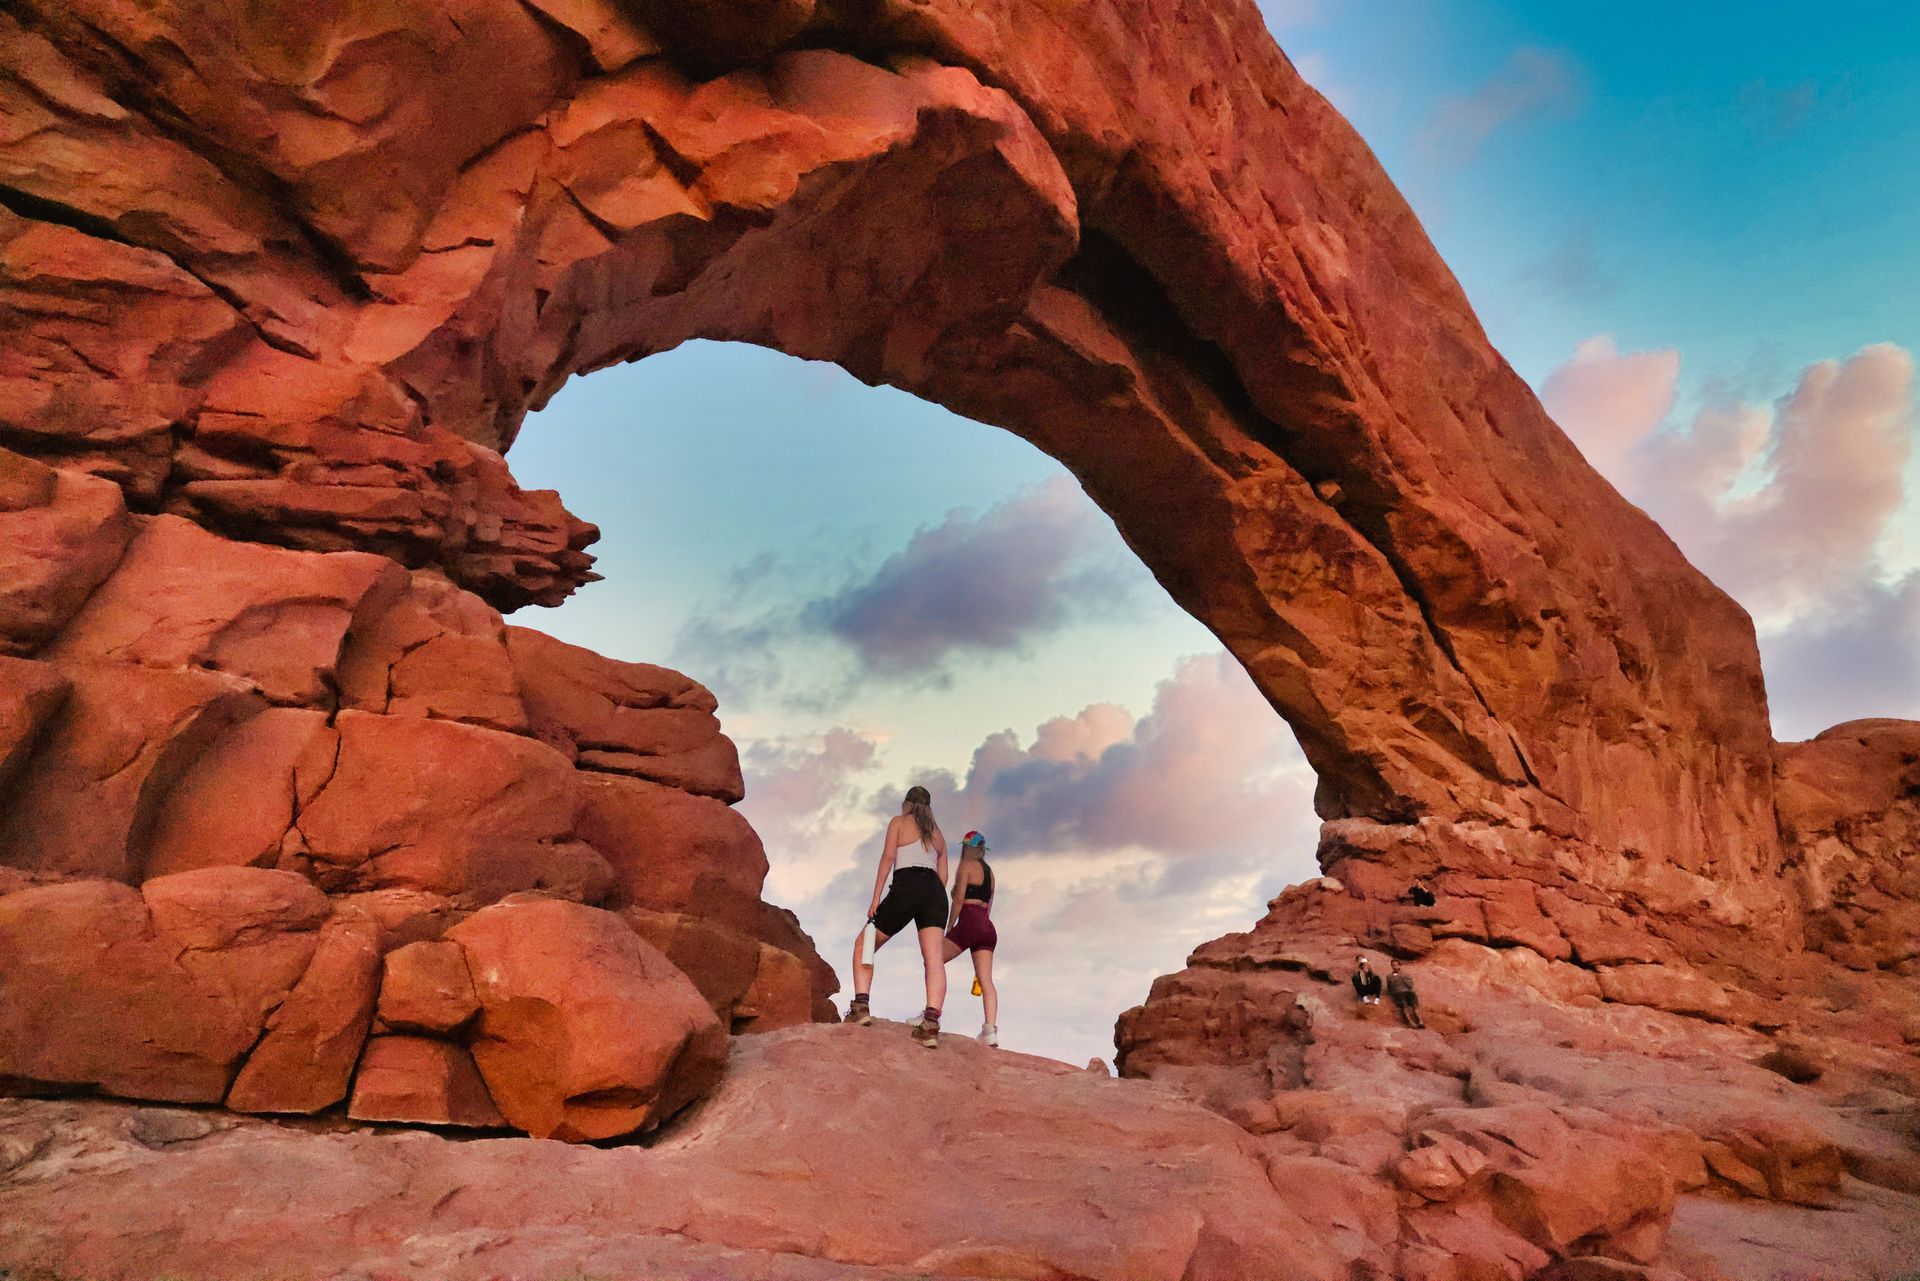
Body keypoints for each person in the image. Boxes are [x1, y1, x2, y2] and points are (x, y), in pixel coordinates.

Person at [848, 785, 949, 1047]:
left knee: (865, 943)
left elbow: (887, 858)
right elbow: (944, 878)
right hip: (936, 893)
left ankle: (860, 1007)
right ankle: (931, 1024)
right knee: (934, 959)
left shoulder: (899, 823)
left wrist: (875, 898)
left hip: (908, 884)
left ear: (906, 804)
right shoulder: (938, 835)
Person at [942, 830, 999, 1047]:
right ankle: (990, 1030)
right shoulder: (991, 873)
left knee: (934, 960)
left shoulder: (966, 867)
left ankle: (931, 1012)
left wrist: (949, 927)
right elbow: (989, 906)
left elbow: (958, 900)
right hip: (987, 926)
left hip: (970, 921)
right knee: (985, 980)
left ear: (967, 848)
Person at [1386, 959, 1424, 1029]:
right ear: (1391, 966)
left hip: (1409, 992)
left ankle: (1420, 1021)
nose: (1395, 967)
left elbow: (1410, 985)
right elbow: (1389, 987)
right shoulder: (1389, 976)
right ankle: (1411, 1023)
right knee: (1404, 1006)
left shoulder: (1405, 974)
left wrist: (1402, 978)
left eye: (1396, 965)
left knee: (1414, 1006)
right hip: (1399, 993)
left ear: (1399, 965)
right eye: (1393, 965)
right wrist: (1394, 993)